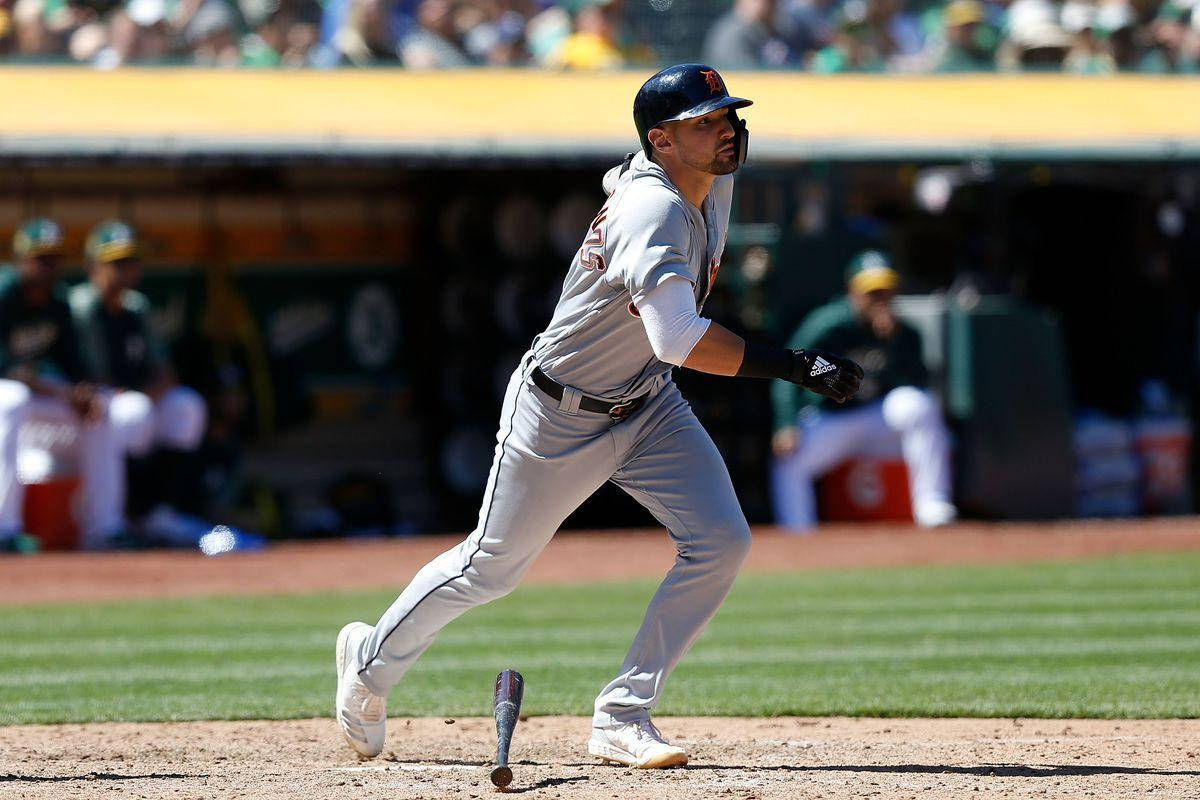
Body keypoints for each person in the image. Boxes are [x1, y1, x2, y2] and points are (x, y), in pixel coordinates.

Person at [334, 63, 862, 769]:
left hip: (647, 405)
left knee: (720, 541)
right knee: (491, 569)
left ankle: (622, 715)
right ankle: (368, 665)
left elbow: (634, 184)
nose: (726, 129)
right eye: (705, 122)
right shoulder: (654, 208)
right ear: (662, 142)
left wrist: (639, 173)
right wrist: (792, 365)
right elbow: (676, 338)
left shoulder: (702, 180)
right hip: (559, 414)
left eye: (727, 116)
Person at [770, 250, 957, 531]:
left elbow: (916, 384)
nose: (880, 299)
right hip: (831, 419)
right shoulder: (828, 325)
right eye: (872, 292)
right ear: (852, 292)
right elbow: (785, 373)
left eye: (886, 291)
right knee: (789, 462)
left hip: (877, 417)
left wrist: (892, 341)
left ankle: (932, 506)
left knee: (920, 406)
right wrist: (785, 424)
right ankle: (799, 538)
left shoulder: (905, 333)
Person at [69, 220, 210, 545]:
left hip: (137, 400)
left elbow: (165, 372)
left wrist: (155, 390)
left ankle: (161, 513)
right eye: (116, 262)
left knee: (185, 405)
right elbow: (93, 377)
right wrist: (141, 393)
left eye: (130, 261)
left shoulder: (137, 306)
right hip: (92, 411)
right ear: (93, 265)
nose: (125, 270)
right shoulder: (81, 306)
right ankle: (118, 517)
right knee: (133, 409)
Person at [0, 218, 131, 552]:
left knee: (99, 406)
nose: (50, 267)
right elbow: (10, 371)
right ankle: (5, 530)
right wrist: (61, 391)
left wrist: (83, 391)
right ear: (21, 260)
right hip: (9, 400)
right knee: (10, 397)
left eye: (55, 258)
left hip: (36, 402)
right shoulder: (4, 295)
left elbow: (74, 367)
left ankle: (105, 528)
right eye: (41, 258)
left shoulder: (58, 304)